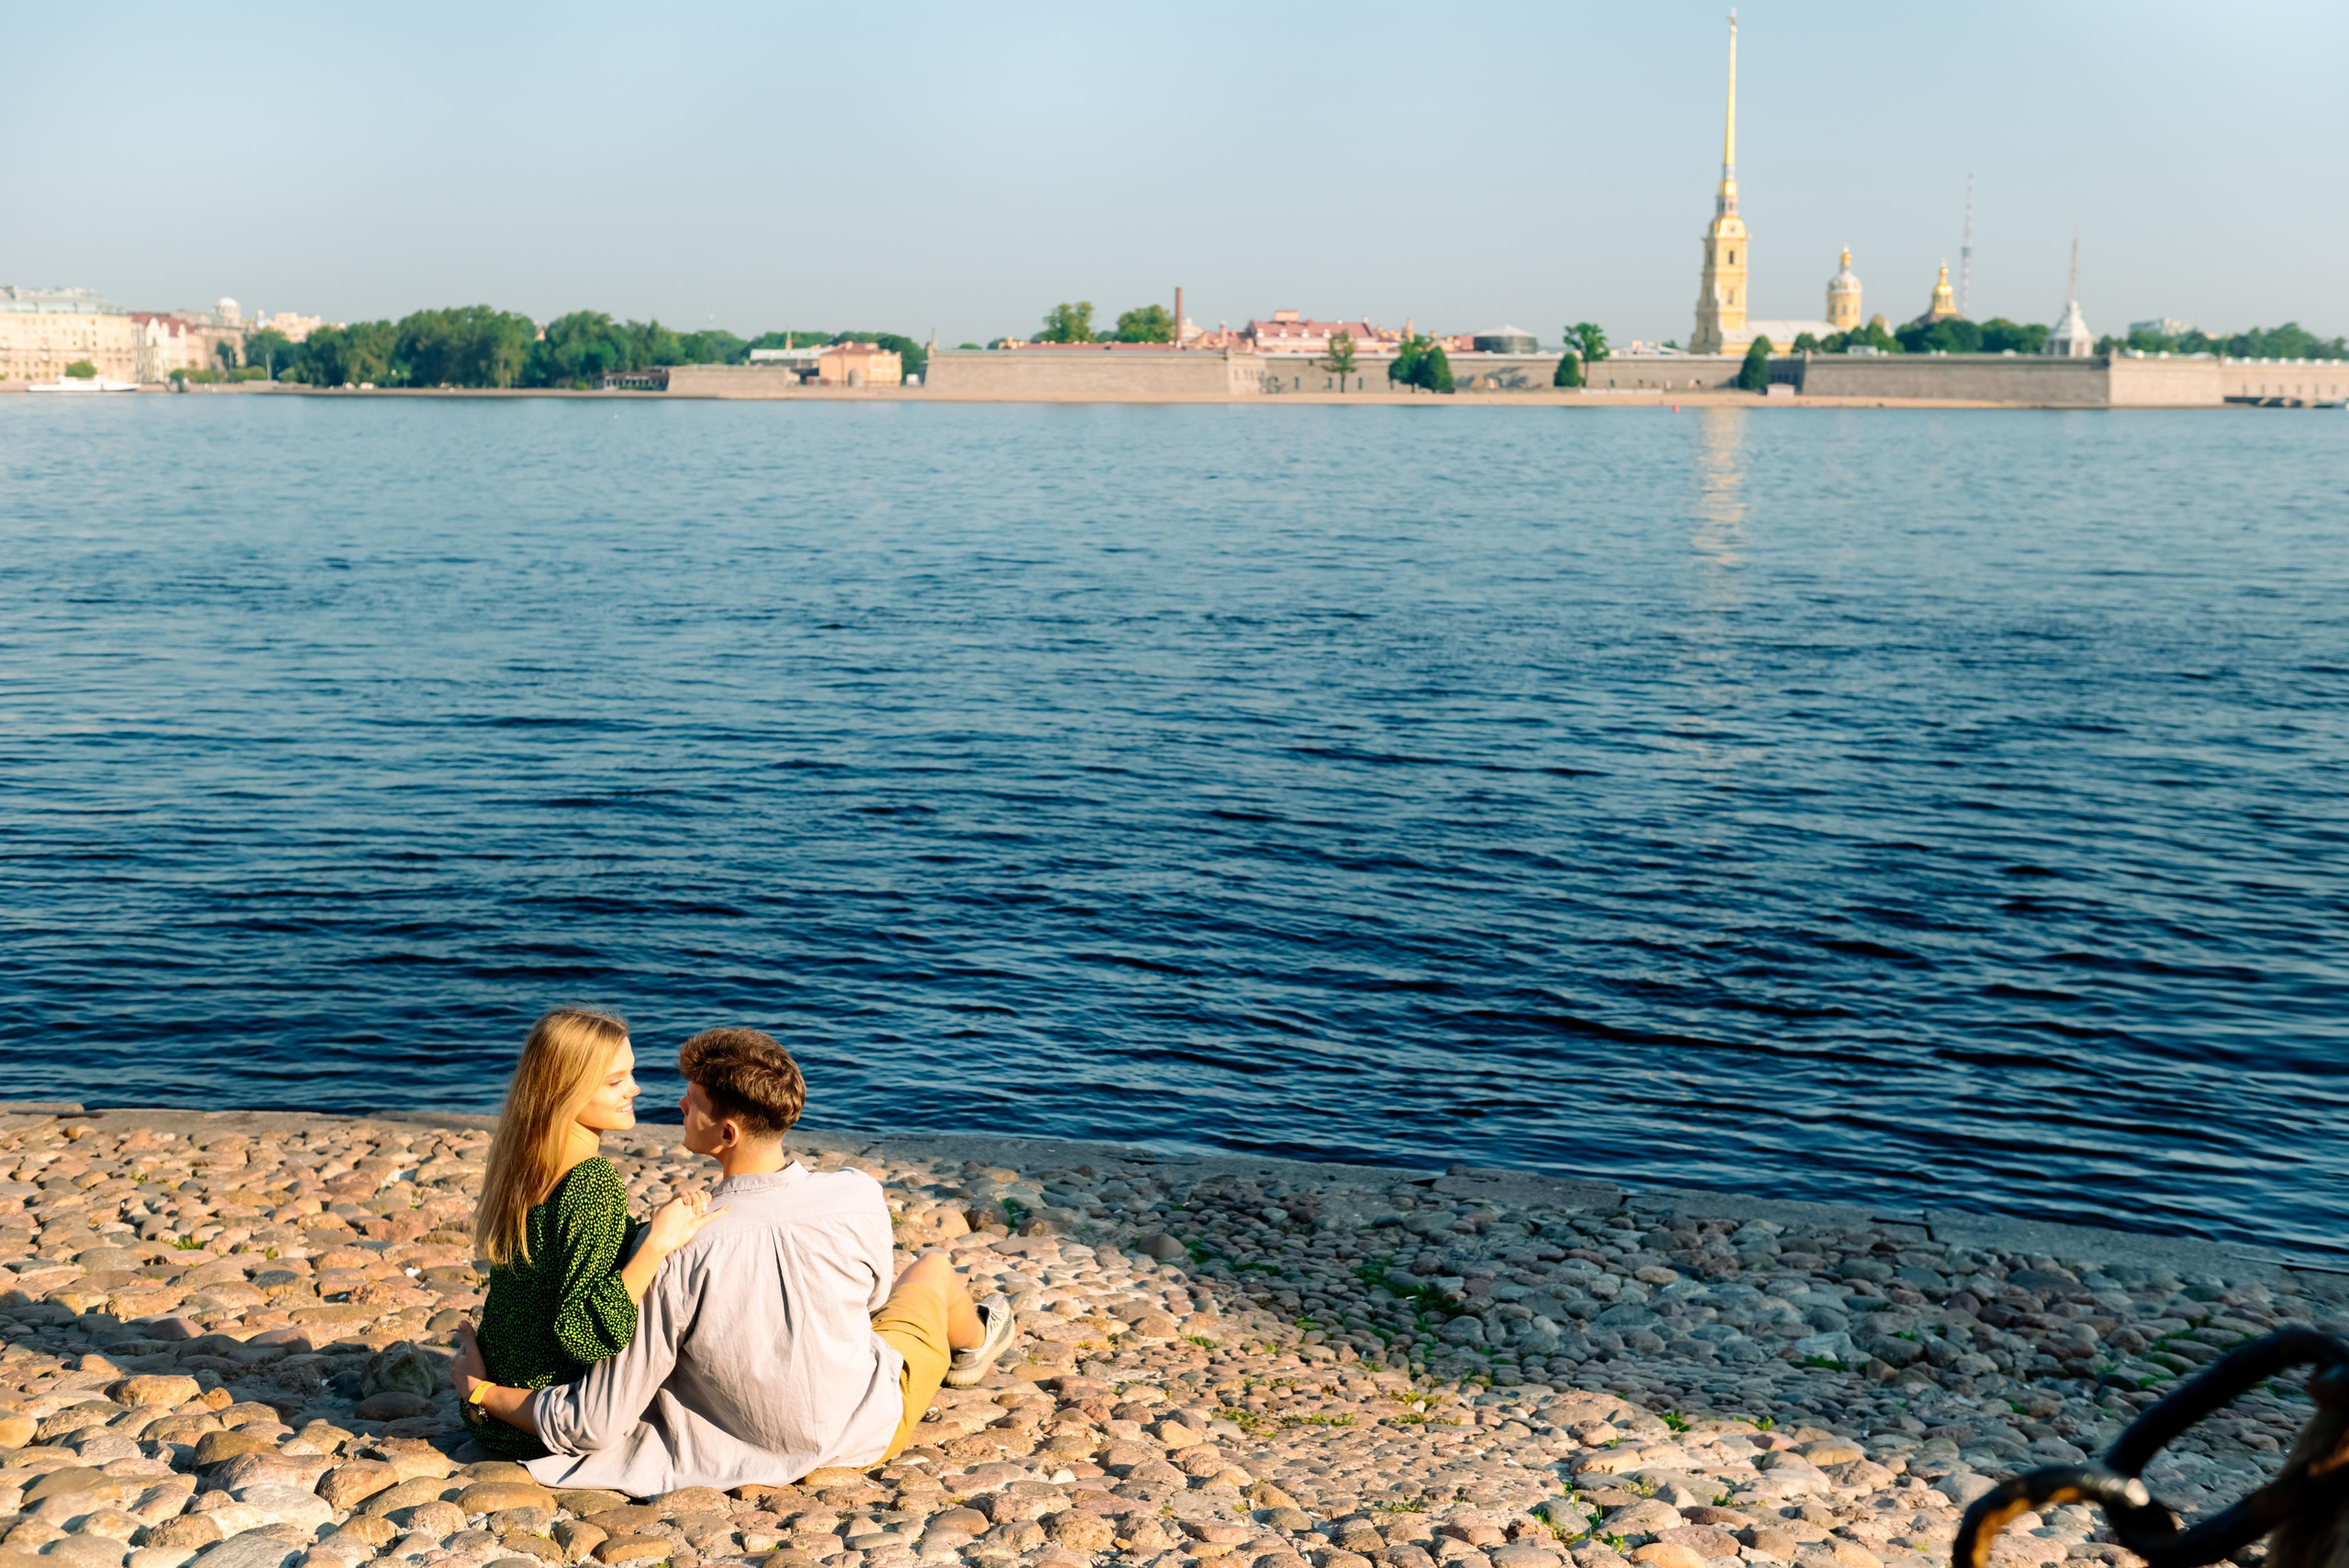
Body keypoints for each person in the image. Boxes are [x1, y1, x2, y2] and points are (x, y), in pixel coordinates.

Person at [453, 1026, 1017, 1492]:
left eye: (690, 1102)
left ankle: (975, 1344)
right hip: (860, 1428)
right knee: (934, 1271)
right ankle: (975, 1343)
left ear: (725, 1131)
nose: (673, 1102)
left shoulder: (675, 1250)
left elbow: (597, 1419)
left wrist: (482, 1392)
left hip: (737, 1450)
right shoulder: (859, 1195)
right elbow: (868, 1306)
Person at [460, 1007, 729, 1460]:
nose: (635, 1089)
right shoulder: (593, 1182)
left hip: (494, 1416)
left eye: (631, 1075)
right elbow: (583, 1334)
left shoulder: (524, 1164)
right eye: (615, 1081)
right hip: (542, 1421)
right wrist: (657, 1244)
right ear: (565, 1089)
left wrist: (642, 1229)